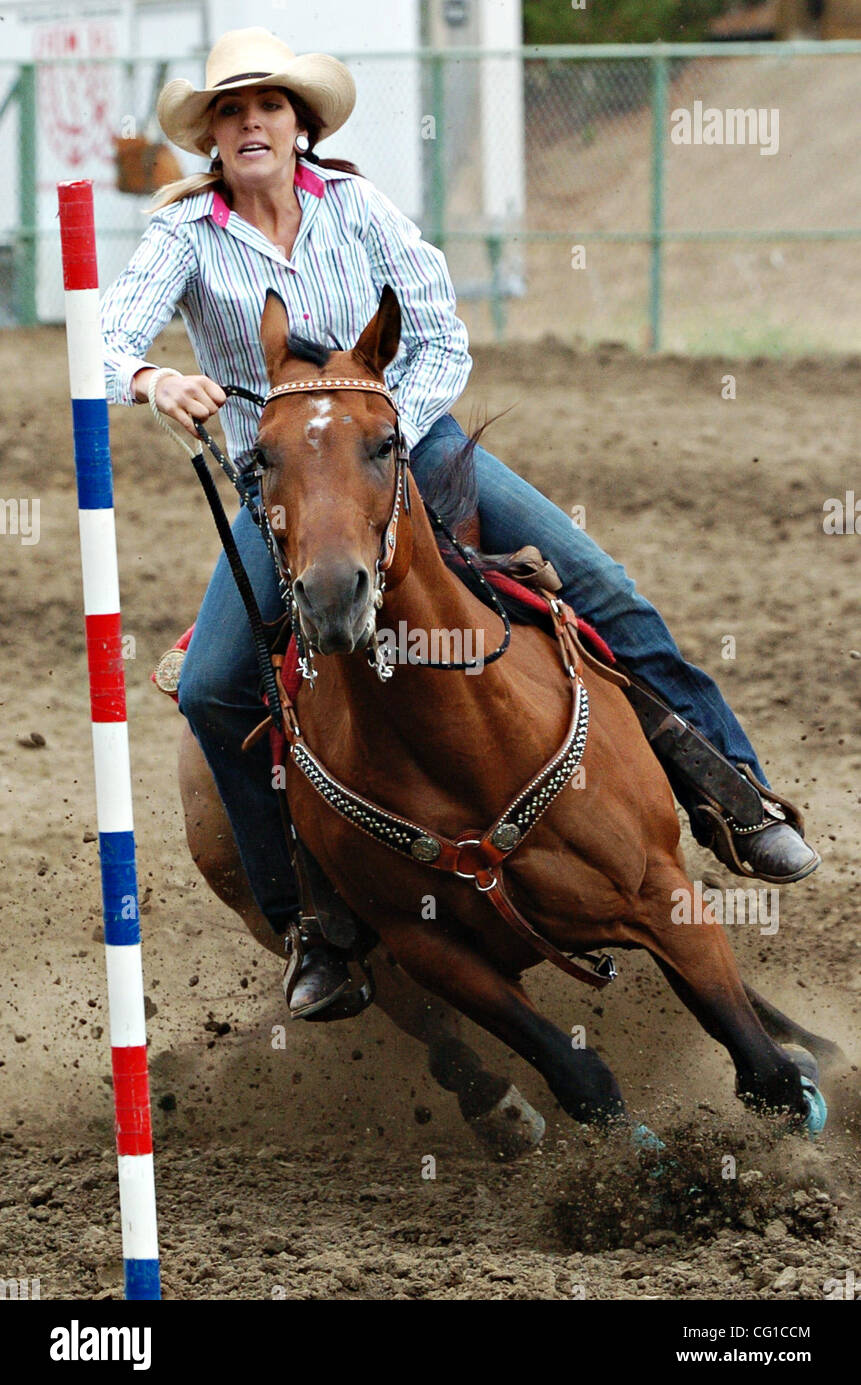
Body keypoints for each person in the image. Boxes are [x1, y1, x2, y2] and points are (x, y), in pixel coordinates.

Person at [100, 28, 819, 1020]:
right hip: (295, 497)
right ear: (212, 139)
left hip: (411, 448)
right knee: (219, 690)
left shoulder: (357, 206)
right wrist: (149, 376)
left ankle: (731, 792)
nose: (250, 123)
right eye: (230, 112)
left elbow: (439, 326)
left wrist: (384, 426)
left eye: (267, 106)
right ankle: (313, 924)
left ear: (300, 124)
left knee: (602, 585)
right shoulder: (183, 235)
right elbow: (101, 334)